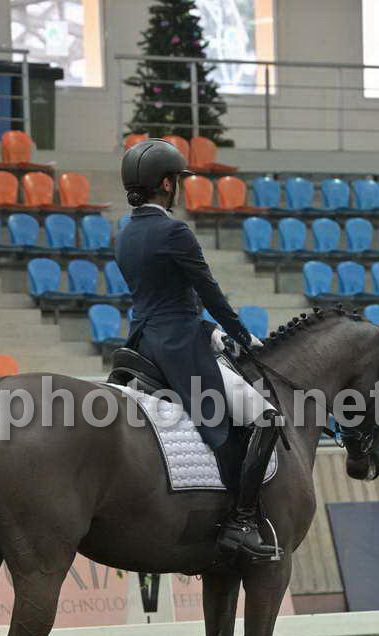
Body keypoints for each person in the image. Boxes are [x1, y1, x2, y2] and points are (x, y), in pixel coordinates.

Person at [116, 138, 283, 562]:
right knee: (265, 418)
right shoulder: (175, 231)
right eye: (177, 180)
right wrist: (242, 335)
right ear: (167, 184)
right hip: (178, 347)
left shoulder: (125, 233)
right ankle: (241, 523)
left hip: (142, 341)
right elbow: (208, 292)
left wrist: (210, 331)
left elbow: (162, 299)